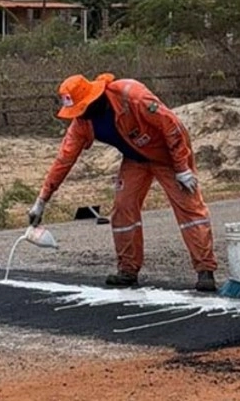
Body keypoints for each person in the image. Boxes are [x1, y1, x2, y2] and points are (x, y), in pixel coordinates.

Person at [27, 73, 218, 291]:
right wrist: (42, 199)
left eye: (82, 108)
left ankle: (205, 270)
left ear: (94, 98)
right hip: (136, 159)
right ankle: (128, 270)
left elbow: (170, 125)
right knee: (123, 207)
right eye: (76, 111)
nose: (80, 115)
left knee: (189, 208)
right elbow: (64, 159)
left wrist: (182, 167)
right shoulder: (82, 124)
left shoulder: (131, 96)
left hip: (168, 155)